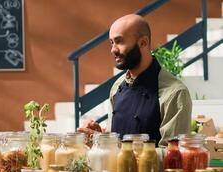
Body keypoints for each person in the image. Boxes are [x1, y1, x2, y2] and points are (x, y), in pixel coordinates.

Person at [78, 14, 192, 147]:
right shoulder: (117, 87)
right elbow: (114, 144)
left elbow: (172, 155)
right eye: (112, 42)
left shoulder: (175, 93)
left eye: (119, 41)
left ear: (143, 42)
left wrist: (120, 149)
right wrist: (99, 138)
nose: (113, 49)